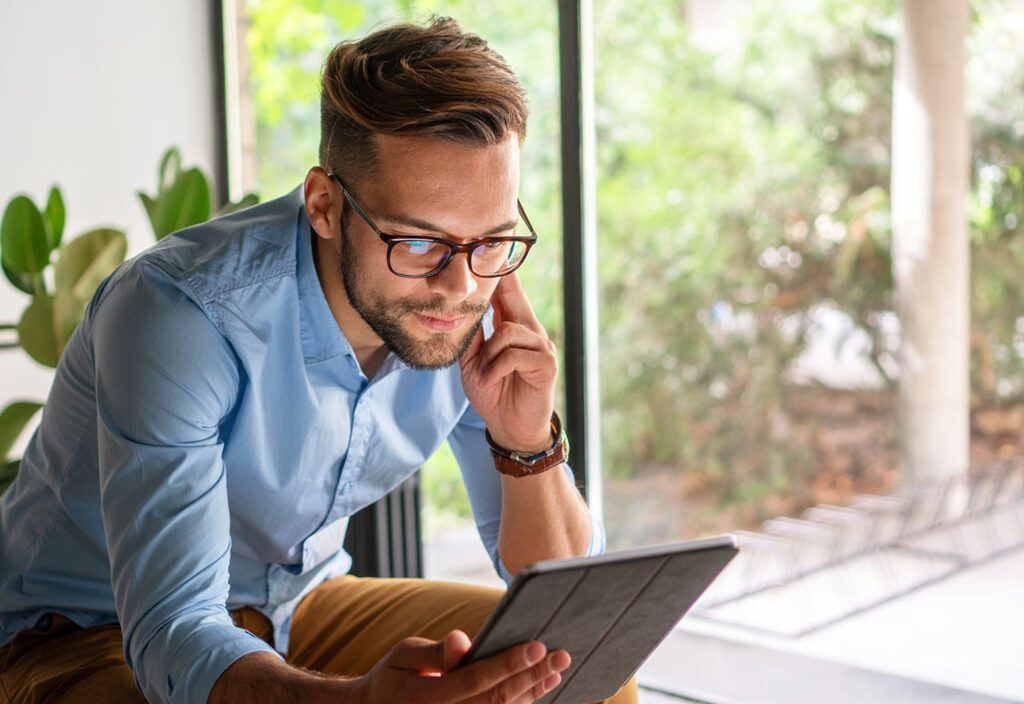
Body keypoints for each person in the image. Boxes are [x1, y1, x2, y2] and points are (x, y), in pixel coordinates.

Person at [0, 17, 638, 704]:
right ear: (325, 204)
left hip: (299, 607)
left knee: (579, 672)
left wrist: (526, 444)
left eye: (491, 239)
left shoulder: (466, 287)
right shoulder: (179, 314)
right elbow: (174, 632)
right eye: (419, 242)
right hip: (84, 633)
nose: (460, 288)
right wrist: (359, 701)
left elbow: (571, 595)